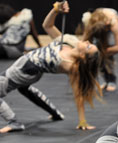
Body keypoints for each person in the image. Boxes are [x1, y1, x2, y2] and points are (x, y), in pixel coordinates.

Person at [0, 1, 101, 133]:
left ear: (83, 57)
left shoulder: (71, 65)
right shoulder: (67, 42)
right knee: (25, 89)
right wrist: (56, 10)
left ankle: (14, 123)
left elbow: (78, 95)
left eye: (88, 46)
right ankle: (56, 114)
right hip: (26, 66)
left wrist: (82, 121)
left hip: (26, 70)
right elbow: (47, 26)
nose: (87, 41)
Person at [77, 7, 118, 92]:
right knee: (94, 52)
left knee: (105, 54)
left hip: (115, 23)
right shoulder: (90, 22)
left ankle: (111, 79)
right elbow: (83, 42)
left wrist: (102, 52)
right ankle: (102, 79)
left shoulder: (114, 24)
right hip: (98, 25)